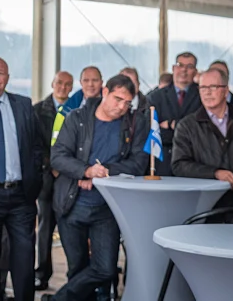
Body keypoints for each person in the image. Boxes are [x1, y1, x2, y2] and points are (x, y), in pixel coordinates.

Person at [42, 75, 148, 301]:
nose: (121, 107)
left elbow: (139, 163)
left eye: (127, 103)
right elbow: (58, 157)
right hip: (72, 204)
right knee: (77, 269)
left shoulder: (133, 124)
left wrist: (103, 171)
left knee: (105, 268)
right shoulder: (76, 118)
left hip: (107, 208)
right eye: (118, 99)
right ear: (104, 92)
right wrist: (85, 170)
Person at [0, 58, 42, 301]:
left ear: (8, 78)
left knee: (24, 258)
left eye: (2, 73)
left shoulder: (23, 104)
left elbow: (36, 145)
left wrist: (34, 183)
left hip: (21, 196)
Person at [171, 68, 233, 223]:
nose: (207, 92)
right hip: (206, 207)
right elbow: (179, 165)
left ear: (226, 90)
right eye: (203, 88)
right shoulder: (187, 126)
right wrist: (214, 173)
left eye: (213, 87)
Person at [32, 71, 73, 292]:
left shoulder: (76, 111)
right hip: (46, 180)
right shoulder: (38, 110)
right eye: (59, 83)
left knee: (70, 229)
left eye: (68, 84)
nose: (63, 87)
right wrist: (52, 165)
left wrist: (65, 167)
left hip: (68, 180)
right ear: (52, 84)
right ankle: (42, 273)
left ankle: (73, 277)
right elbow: (35, 145)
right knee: (45, 229)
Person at [146, 52, 201, 176]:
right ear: (173, 68)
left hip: (193, 163)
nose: (184, 70)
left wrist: (172, 124)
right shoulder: (155, 97)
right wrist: (186, 131)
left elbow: (201, 131)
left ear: (195, 71)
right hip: (162, 163)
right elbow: (151, 132)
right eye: (180, 65)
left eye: (189, 66)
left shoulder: (203, 96)